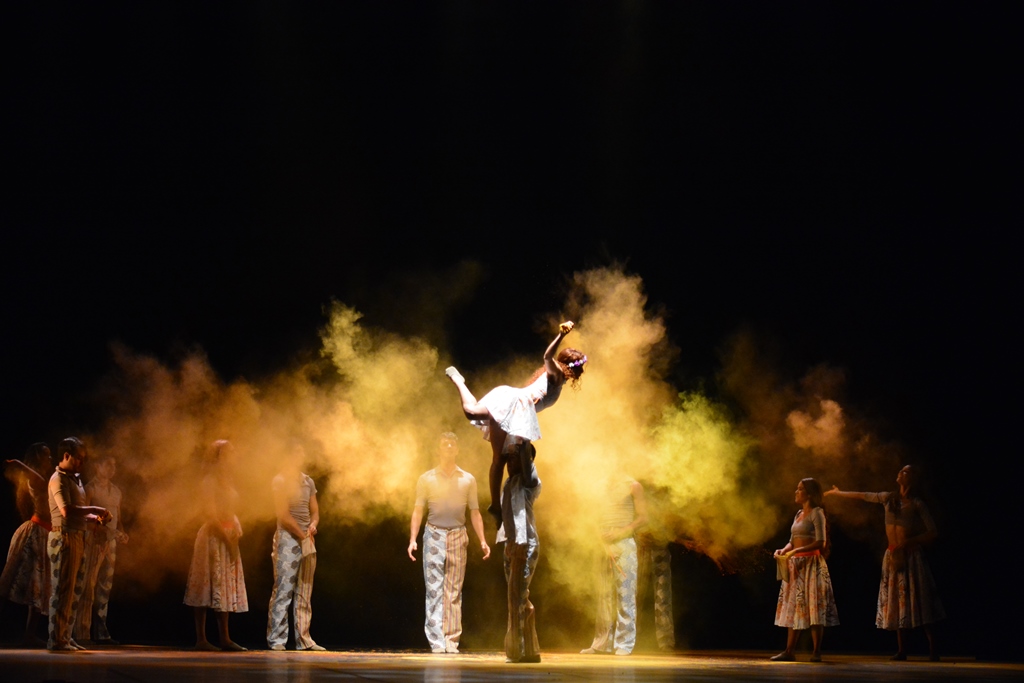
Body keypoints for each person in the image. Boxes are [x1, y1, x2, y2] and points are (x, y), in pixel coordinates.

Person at [445, 321, 585, 522]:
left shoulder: (558, 380)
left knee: (498, 457)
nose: (581, 370)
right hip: (513, 403)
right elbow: (547, 357)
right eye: (580, 365)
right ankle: (459, 381)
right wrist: (561, 335)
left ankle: (496, 506)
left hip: (519, 412)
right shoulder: (556, 374)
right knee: (472, 413)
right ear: (570, 366)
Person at [825, 465, 945, 660]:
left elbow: (932, 532)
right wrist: (838, 493)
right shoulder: (889, 498)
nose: (900, 472)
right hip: (893, 555)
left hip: (911, 556)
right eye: (900, 470)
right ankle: (902, 650)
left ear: (912, 478)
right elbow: (863, 495)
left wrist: (910, 541)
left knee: (920, 600)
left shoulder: (916, 504)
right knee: (897, 600)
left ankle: (933, 650)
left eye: (905, 471)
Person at [408, 432, 491, 653]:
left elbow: (475, 512)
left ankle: (451, 640)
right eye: (445, 444)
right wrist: (412, 539)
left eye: (452, 444)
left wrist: (483, 540)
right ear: (438, 450)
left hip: (457, 535)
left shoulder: (467, 479)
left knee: (453, 590)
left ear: (457, 450)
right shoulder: (426, 478)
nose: (449, 447)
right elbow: (418, 510)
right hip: (434, 534)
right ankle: (436, 641)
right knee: (434, 589)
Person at [46, 437, 111, 651]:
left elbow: (77, 513)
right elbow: (66, 510)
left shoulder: (74, 479)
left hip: (77, 536)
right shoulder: (58, 479)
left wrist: (94, 519)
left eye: (84, 458)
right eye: (79, 458)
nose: (82, 462)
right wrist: (95, 509)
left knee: (75, 589)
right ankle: (57, 639)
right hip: (64, 537)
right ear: (66, 456)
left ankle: (65, 635)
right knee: (63, 589)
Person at [184, 440, 248, 651]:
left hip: (227, 534)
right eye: (230, 453)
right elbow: (210, 514)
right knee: (206, 585)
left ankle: (225, 638)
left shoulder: (228, 480)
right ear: (219, 457)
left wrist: (236, 525)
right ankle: (201, 639)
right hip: (213, 536)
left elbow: (230, 508)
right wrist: (226, 539)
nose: (234, 456)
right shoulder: (209, 481)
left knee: (224, 584)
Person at [771, 478, 839, 663]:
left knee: (814, 607)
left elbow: (820, 542)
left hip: (811, 565)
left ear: (809, 494)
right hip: (796, 566)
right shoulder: (799, 514)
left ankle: (816, 651)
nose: (796, 492)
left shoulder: (817, 513)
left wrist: (796, 551)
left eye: (800, 489)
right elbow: (792, 540)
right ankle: (789, 651)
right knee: (794, 607)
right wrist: (783, 550)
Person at [581, 476, 648, 656]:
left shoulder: (633, 485)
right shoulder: (600, 485)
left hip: (624, 543)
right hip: (603, 544)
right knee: (603, 595)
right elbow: (593, 517)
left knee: (625, 592)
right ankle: (602, 643)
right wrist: (600, 539)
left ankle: (624, 643)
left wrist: (621, 532)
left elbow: (643, 518)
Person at [74, 453, 128, 645]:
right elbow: (84, 518)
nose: (112, 469)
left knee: (105, 586)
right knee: (87, 584)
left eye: (114, 465)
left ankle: (101, 633)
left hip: (110, 543)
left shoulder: (116, 491)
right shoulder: (90, 488)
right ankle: (82, 632)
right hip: (93, 541)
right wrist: (103, 529)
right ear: (98, 466)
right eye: (108, 464)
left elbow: (117, 517)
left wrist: (122, 532)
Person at [1, 443, 53, 645]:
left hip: (45, 533)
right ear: (38, 458)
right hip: (36, 533)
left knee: (39, 585)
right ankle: (28, 633)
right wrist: (18, 463)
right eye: (46, 455)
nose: (50, 459)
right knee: (14, 580)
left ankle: (30, 633)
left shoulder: (44, 478)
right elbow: (35, 477)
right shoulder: (37, 479)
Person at [497, 440, 542, 663]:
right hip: (512, 545)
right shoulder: (508, 484)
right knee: (518, 596)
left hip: (525, 545)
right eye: (509, 459)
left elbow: (525, 454)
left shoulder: (529, 482)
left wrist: (522, 437)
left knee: (517, 597)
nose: (510, 463)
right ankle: (530, 650)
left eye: (515, 458)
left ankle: (517, 650)